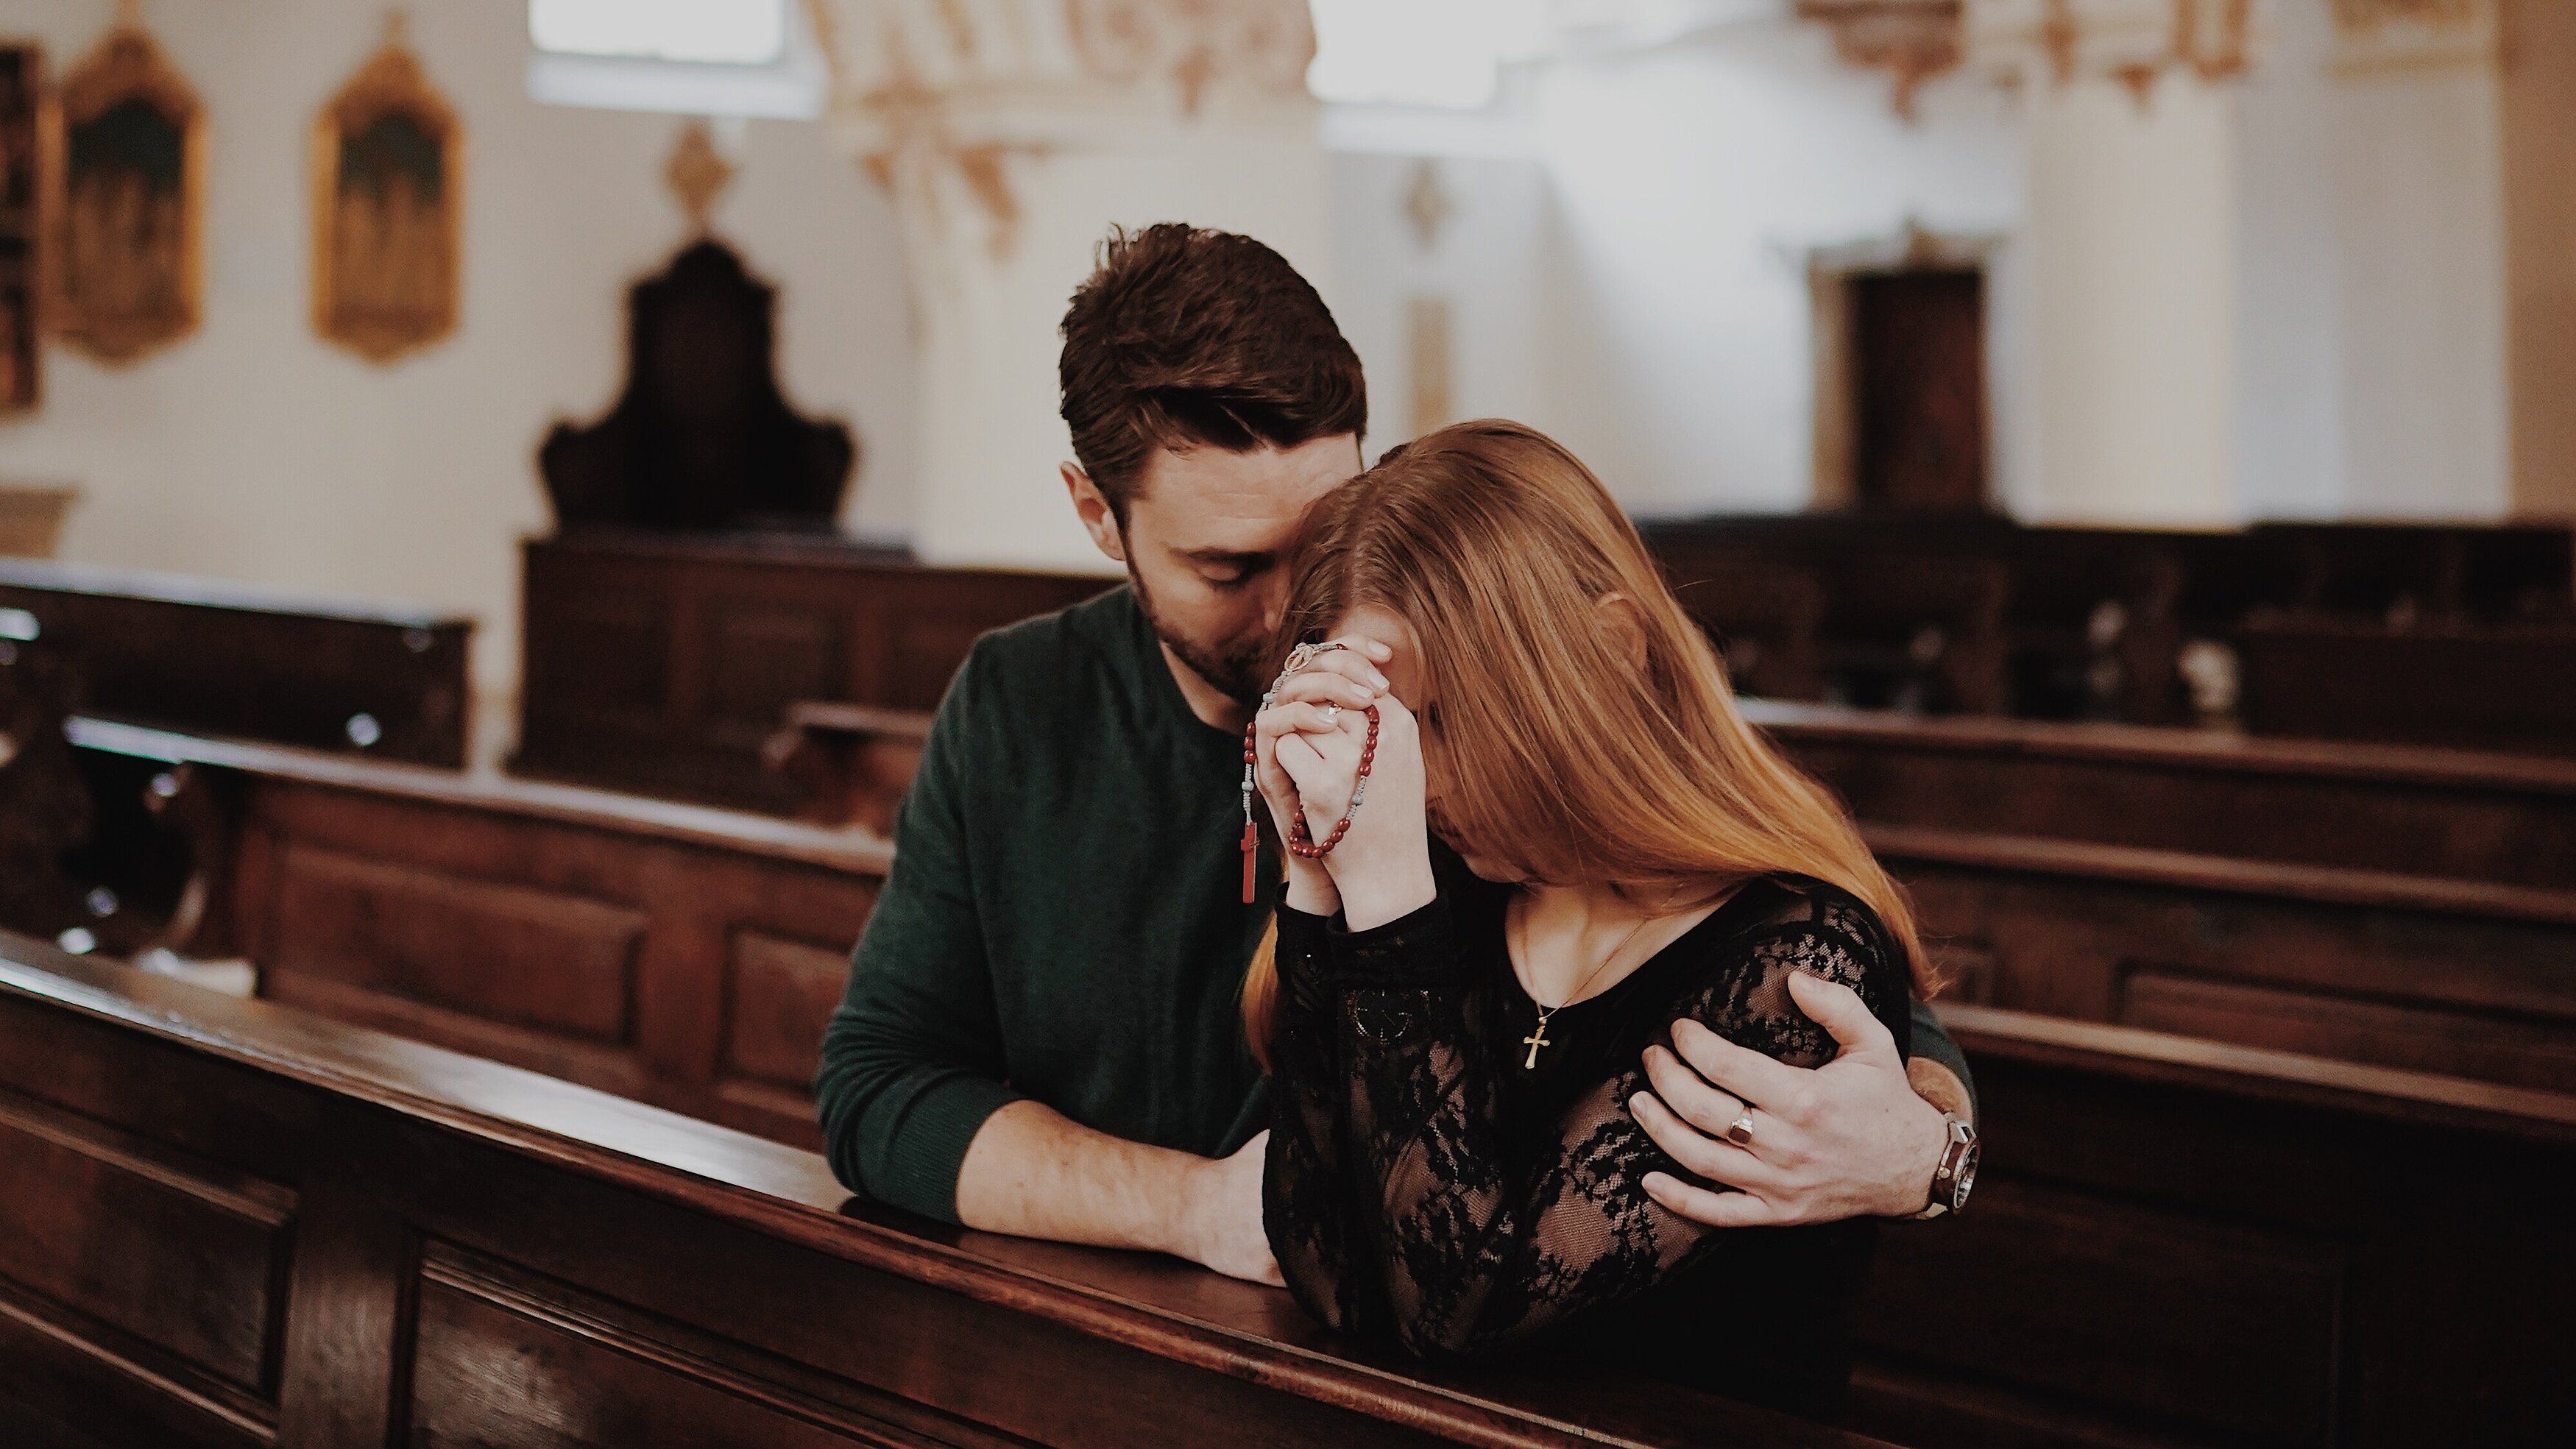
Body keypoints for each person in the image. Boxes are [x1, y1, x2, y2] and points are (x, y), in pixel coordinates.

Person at [815, 224, 1976, 1291]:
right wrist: (1199, 1209)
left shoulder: (1455, 711)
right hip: (1120, 1318)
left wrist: (1928, 1144)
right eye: (1229, 568)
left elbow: (1788, 956)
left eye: (1325, 539)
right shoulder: (1021, 703)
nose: (1293, 620)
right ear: (1094, 513)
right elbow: (879, 1089)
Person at [1249, 420, 1942, 1417]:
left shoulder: (1794, 959)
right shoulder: (1459, 897)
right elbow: (1331, 1271)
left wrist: (1391, 902)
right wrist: (1315, 878)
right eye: (1387, 728)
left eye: (1438, 718)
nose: (1411, 777)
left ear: (1612, 651)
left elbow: (1464, 1312)